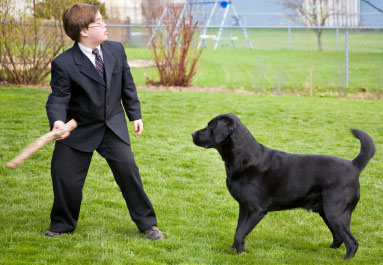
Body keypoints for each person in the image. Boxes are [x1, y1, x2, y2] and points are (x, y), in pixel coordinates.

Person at [44, 3, 163, 241]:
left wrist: (135, 114)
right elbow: (58, 97)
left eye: (103, 20)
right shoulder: (64, 63)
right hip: (78, 129)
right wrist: (58, 121)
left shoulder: (115, 50)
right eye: (99, 23)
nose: (105, 25)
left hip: (112, 125)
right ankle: (62, 224)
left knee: (129, 172)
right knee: (64, 176)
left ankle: (148, 224)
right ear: (84, 31)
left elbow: (127, 85)